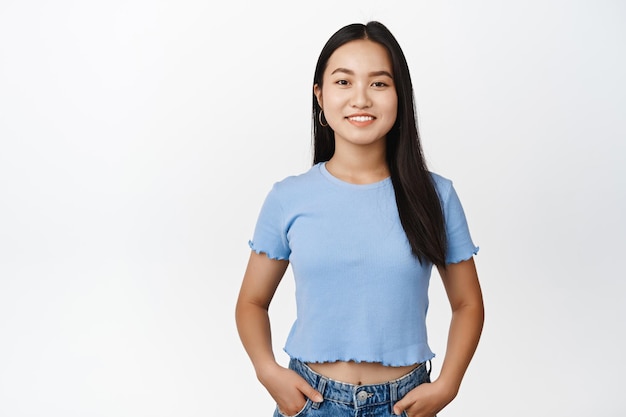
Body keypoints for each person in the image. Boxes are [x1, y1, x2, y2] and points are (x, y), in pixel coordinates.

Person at [235, 21, 484, 417]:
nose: (361, 99)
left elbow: (468, 302)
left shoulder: (436, 196)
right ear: (320, 95)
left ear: (401, 95)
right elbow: (251, 301)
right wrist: (268, 371)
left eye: (379, 84)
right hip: (311, 403)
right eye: (344, 82)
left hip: (404, 404)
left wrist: (447, 386)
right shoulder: (288, 198)